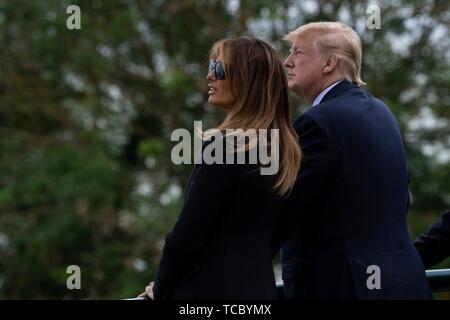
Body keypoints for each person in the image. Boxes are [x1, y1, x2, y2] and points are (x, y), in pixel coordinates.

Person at [278, 21, 432, 299]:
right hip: (403, 285)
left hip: (343, 289)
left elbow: (283, 212)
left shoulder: (316, 122)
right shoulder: (383, 113)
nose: (287, 62)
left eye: (297, 53)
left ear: (329, 63)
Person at [139, 36, 301, 300]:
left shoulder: (226, 146)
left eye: (219, 69)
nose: (210, 76)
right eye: (211, 66)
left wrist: (162, 289)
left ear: (246, 81)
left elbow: (186, 237)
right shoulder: (286, 151)